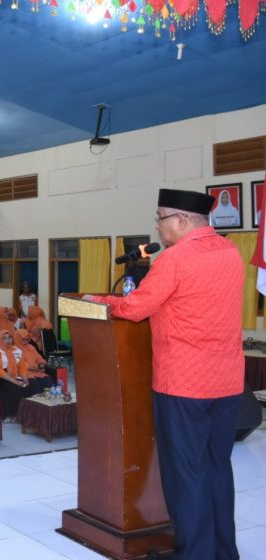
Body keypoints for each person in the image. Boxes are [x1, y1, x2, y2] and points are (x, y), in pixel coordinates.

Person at [89, 188, 244, 560]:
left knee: (186, 473)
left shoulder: (175, 259)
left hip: (184, 384)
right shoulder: (231, 252)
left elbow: (135, 308)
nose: (157, 227)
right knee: (217, 467)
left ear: (182, 220)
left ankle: (195, 554)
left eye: (160, 218)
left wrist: (101, 301)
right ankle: (223, 552)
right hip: (227, 382)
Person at [0, 330, 35, 421]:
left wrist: (25, 379)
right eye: (5, 338)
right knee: (12, 387)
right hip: (1, 377)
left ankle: (23, 414)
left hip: (15, 374)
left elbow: (22, 367)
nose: (8, 340)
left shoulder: (17, 350)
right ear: (0, 339)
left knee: (29, 386)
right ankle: (9, 415)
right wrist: (16, 382)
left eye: (9, 338)